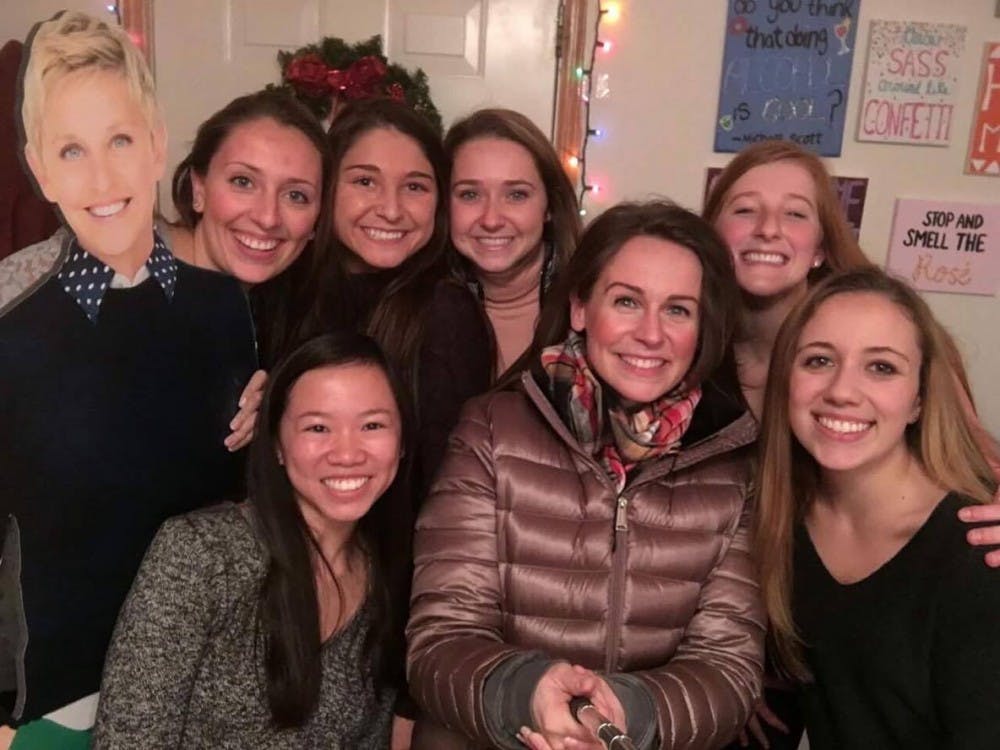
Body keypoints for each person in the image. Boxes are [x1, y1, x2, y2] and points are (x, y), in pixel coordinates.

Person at [407, 201, 765, 750]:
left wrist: (622, 715)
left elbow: (728, 668)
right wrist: (529, 695)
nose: (651, 333)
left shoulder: (732, 465)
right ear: (580, 308)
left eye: (677, 310)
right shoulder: (492, 431)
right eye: (627, 301)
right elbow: (440, 640)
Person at [0, 11, 257, 748]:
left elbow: (233, 507)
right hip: (62, 697)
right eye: (71, 150)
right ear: (40, 167)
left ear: (156, 143)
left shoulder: (224, 308)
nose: (103, 178)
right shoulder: (13, 327)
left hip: (207, 686)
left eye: (119, 140)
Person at [93, 332, 414, 748]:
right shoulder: (202, 554)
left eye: (372, 425)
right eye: (318, 427)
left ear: (402, 442)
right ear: (276, 444)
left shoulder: (386, 577)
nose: (347, 453)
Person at [753, 267, 1000, 748]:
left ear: (918, 400)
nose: (842, 391)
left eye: (881, 367)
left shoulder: (978, 552)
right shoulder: (779, 526)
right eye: (819, 360)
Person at [292, 98, 492, 500]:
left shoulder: (445, 313)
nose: (391, 210)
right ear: (327, 187)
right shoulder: (289, 288)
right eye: (365, 182)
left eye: (415, 187)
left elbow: (447, 487)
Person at [444, 108, 580, 374]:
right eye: (470, 195)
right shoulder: (409, 309)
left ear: (549, 206)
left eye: (516, 195)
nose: (491, 220)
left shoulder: (592, 303)